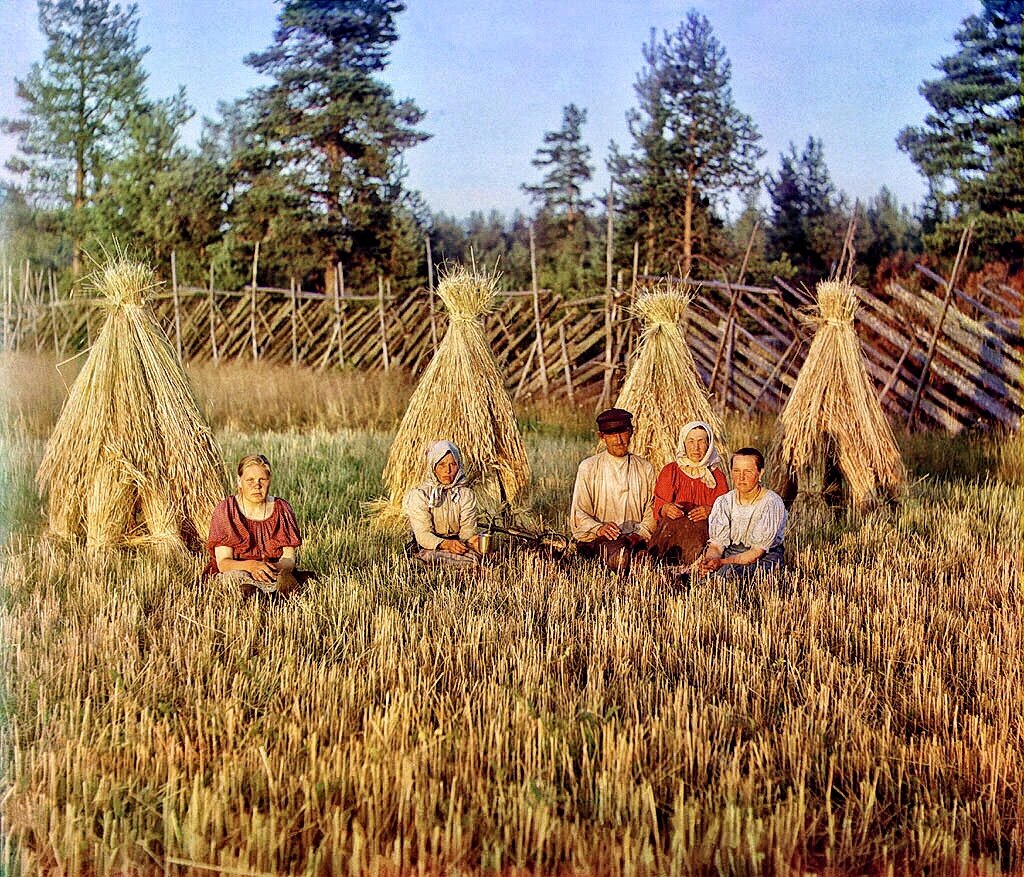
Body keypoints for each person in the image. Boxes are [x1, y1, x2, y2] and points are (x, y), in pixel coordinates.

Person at [570, 408, 656, 574]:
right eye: (611, 434)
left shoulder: (645, 468)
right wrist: (599, 528)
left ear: (631, 432)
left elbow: (651, 511)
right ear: (601, 437)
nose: (618, 440)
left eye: (622, 432)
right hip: (600, 539)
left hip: (636, 539)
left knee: (648, 561)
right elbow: (579, 513)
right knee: (620, 558)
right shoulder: (588, 467)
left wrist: (639, 533)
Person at [205, 454, 303, 595]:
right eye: (250, 480)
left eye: (262, 479)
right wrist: (252, 566)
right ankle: (257, 596)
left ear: (269, 480)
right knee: (238, 581)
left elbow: (289, 558)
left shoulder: (282, 508)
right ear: (239, 481)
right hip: (238, 571)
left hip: (273, 571)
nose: (257, 485)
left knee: (286, 579)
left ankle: (275, 594)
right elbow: (224, 563)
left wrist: (270, 569)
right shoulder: (226, 510)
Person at [649, 421, 729, 573]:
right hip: (672, 534)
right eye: (690, 441)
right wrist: (667, 508)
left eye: (701, 441)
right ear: (683, 443)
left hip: (703, 536)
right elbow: (658, 505)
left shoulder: (717, 477)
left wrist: (711, 510)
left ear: (709, 444)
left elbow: (727, 512)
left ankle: (693, 569)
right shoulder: (671, 471)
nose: (696, 447)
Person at [698, 447, 787, 579]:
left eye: (748, 471)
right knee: (707, 580)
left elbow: (757, 551)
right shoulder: (724, 502)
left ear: (760, 473)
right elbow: (716, 546)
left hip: (763, 557)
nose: (741, 477)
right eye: (736, 471)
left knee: (733, 578)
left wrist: (722, 563)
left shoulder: (771, 503)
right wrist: (710, 562)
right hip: (731, 554)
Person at [403, 440, 482, 568]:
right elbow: (423, 534)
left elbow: (467, 530)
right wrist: (445, 544)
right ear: (433, 466)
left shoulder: (466, 495)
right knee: (429, 556)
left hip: (457, 545)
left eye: (453, 464)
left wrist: (468, 542)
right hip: (429, 546)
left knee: (477, 556)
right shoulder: (420, 495)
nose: (448, 470)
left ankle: (451, 564)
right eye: (442, 465)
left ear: (459, 466)